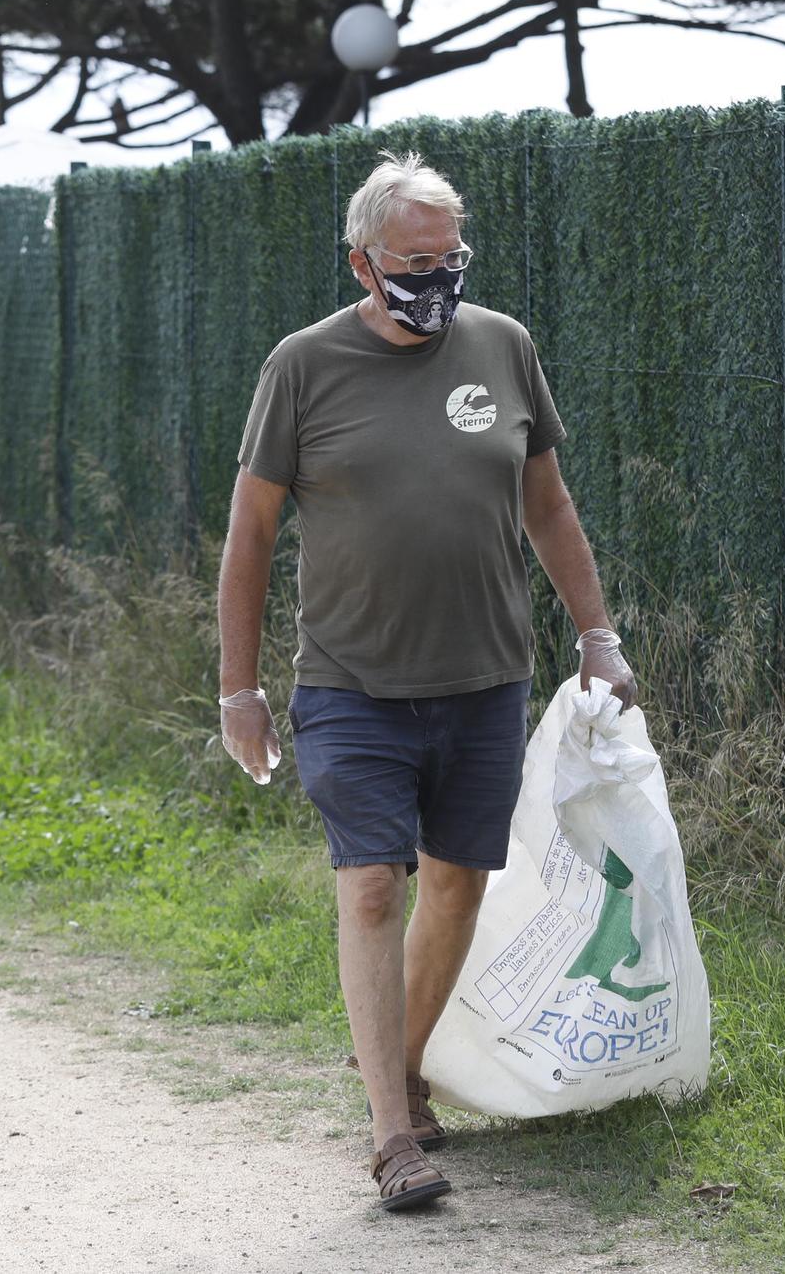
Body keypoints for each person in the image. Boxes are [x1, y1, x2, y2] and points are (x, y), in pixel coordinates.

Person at [217, 152, 639, 1214]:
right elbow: (249, 532)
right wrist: (238, 687)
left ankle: (394, 1067)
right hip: (351, 682)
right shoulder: (302, 366)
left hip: (483, 676)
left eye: (450, 255)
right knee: (370, 882)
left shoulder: (501, 346)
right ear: (361, 260)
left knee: (454, 880)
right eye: (414, 258)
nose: (436, 276)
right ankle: (392, 1132)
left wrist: (597, 633)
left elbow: (547, 503)